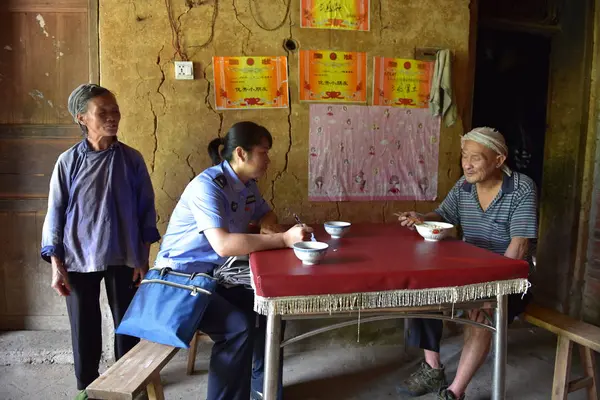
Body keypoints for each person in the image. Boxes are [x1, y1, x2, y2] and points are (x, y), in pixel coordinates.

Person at [155, 121, 312, 400]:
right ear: (241, 153)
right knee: (237, 328)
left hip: (213, 277)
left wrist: (267, 224)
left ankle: (263, 386)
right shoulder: (208, 186)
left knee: (268, 307)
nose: (268, 159)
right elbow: (224, 245)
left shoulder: (245, 185)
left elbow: (266, 213)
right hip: (179, 280)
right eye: (263, 152)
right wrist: (284, 239)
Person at [396, 127, 538, 400]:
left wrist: (492, 291)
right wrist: (421, 218)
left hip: (510, 278)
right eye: (464, 157)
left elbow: (518, 246)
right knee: (422, 289)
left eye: (476, 158)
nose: (468, 165)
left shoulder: (521, 189)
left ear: (499, 160)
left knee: (482, 316)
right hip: (469, 272)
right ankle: (432, 368)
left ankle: (454, 392)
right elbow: (443, 215)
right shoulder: (464, 186)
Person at [41, 84, 161, 398]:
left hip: (124, 254)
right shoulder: (68, 162)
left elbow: (146, 210)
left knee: (127, 325)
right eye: (102, 112)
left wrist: (143, 258)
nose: (112, 118)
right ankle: (87, 387)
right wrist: (56, 264)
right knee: (84, 326)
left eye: (115, 110)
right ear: (82, 118)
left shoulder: (132, 160)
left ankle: (127, 385)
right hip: (79, 256)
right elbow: (54, 212)